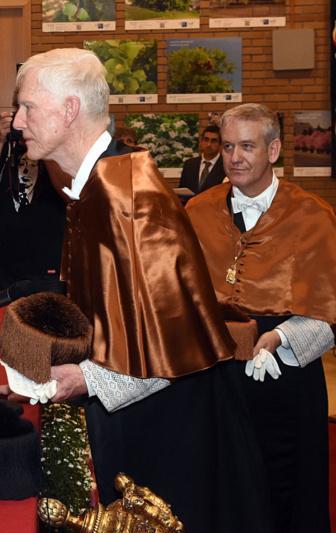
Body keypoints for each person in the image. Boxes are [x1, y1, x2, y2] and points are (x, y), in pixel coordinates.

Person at [0, 48, 270, 532]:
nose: (17, 122)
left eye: (28, 107)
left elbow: (170, 342)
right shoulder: (98, 182)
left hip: (171, 428)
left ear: (70, 109)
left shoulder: (128, 196)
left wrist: (81, 380)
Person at [186, 103, 335, 533]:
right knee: (221, 490)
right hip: (214, 377)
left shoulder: (314, 216)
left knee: (283, 495)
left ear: (273, 150)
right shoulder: (196, 212)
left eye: (247, 146)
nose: (235, 157)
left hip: (285, 380)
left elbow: (330, 313)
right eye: (229, 146)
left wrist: (281, 339)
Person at [0, 111, 65, 294]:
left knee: (45, 321)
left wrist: (45, 145)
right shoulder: (8, 146)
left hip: (47, 264)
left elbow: (66, 190)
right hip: (3, 260)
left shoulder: (59, 147)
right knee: (2, 320)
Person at [178, 124, 225, 194]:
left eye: (213, 141)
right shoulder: (189, 165)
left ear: (220, 144)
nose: (209, 144)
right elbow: (181, 191)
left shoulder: (226, 166)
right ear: (201, 141)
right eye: (206, 139)